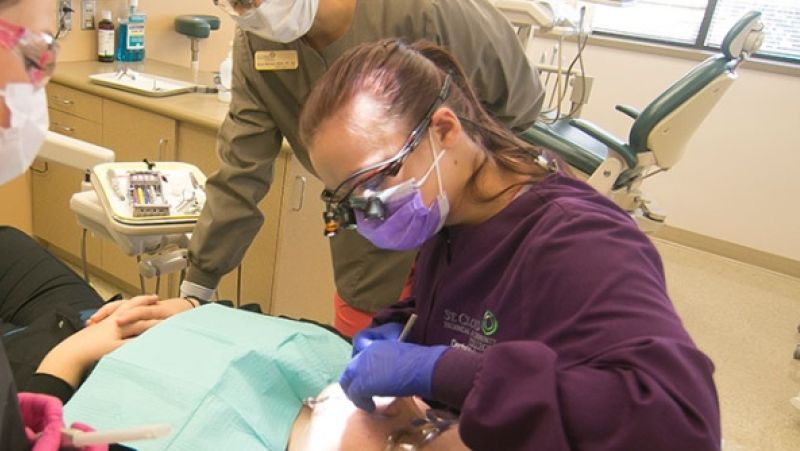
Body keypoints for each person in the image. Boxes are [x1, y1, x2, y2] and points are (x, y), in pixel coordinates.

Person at [298, 38, 722, 449]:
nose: (372, 210)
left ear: (443, 129)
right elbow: (468, 305)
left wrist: (445, 370)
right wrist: (401, 326)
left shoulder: (578, 241)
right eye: (351, 199)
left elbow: (682, 424)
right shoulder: (457, 213)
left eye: (377, 180)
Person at [176, 0, 546, 336]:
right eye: (236, 3)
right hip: (371, 240)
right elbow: (241, 171)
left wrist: (451, 185)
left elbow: (519, 109)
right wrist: (197, 288)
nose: (249, 10)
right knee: (364, 381)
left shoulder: (429, 12)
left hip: (469, 233)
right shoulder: (256, 46)